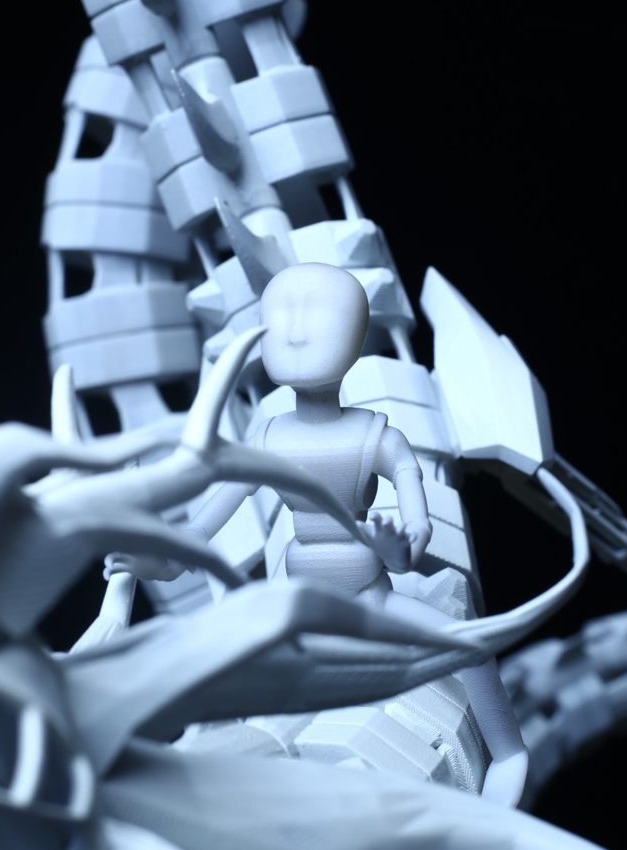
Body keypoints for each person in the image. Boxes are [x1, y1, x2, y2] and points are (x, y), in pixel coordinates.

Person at [105, 261, 528, 806]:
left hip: (371, 600)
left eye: (318, 314)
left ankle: (510, 755)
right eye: (282, 314)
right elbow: (205, 524)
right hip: (296, 605)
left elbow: (413, 529)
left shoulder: (380, 438)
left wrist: (399, 550)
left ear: (356, 335)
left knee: (470, 647)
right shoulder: (267, 440)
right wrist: (159, 559)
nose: (297, 330)